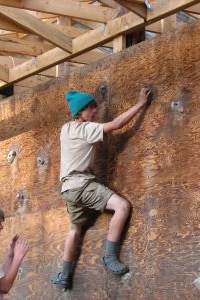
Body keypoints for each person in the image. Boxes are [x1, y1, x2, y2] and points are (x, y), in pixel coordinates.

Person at [51, 88, 151, 289]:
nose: (95, 111)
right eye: (91, 108)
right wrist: (140, 104)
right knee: (122, 207)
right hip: (81, 185)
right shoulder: (85, 129)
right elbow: (117, 124)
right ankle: (110, 257)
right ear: (80, 112)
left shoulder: (65, 129)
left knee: (75, 229)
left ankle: (65, 275)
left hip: (68, 190)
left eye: (95, 107)